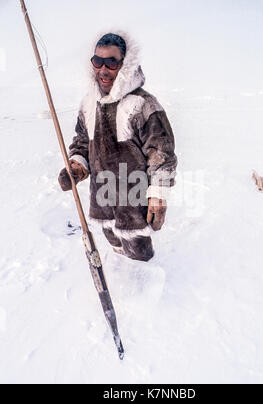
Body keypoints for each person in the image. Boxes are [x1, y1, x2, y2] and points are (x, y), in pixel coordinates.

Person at [58, 32, 177, 262]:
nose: (103, 69)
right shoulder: (88, 104)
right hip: (101, 194)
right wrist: (77, 165)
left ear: (125, 65)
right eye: (98, 62)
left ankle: (147, 282)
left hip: (133, 197)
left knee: (139, 251)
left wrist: (158, 195)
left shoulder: (143, 103)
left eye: (111, 63)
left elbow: (161, 154)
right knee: (113, 240)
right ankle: (120, 267)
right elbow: (82, 141)